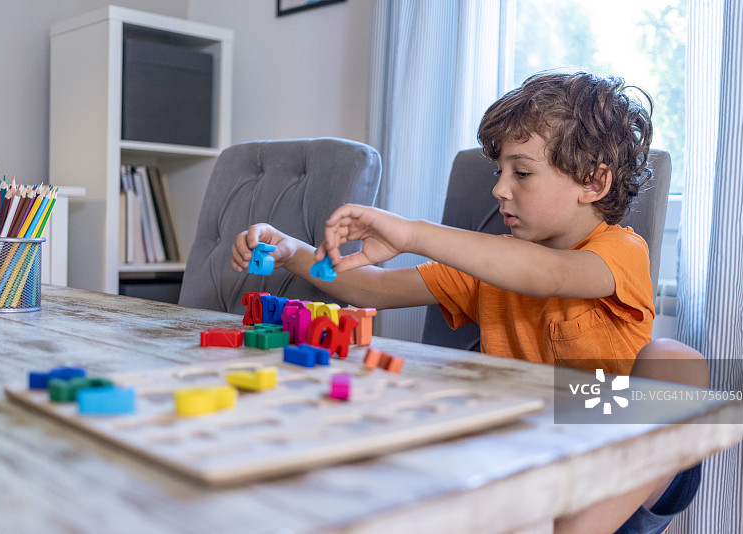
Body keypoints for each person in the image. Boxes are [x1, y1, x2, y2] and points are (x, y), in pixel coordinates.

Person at [231, 71, 698, 532]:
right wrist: (291, 252)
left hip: (630, 470)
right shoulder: (487, 266)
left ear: (594, 184)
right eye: (500, 172)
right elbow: (372, 287)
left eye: (523, 172)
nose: (500, 189)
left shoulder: (620, 250)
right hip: (533, 458)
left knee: (676, 359)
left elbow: (545, 275)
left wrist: (413, 233)